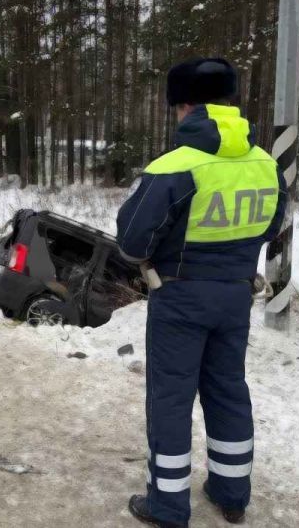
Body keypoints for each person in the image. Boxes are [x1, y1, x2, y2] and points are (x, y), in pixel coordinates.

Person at [116, 58, 288, 527]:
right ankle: (232, 494)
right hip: (235, 295)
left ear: (184, 105)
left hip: (179, 296)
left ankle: (167, 506)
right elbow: (273, 227)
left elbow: (132, 241)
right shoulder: (266, 164)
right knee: (228, 389)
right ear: (228, 102)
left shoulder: (175, 166)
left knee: (171, 398)